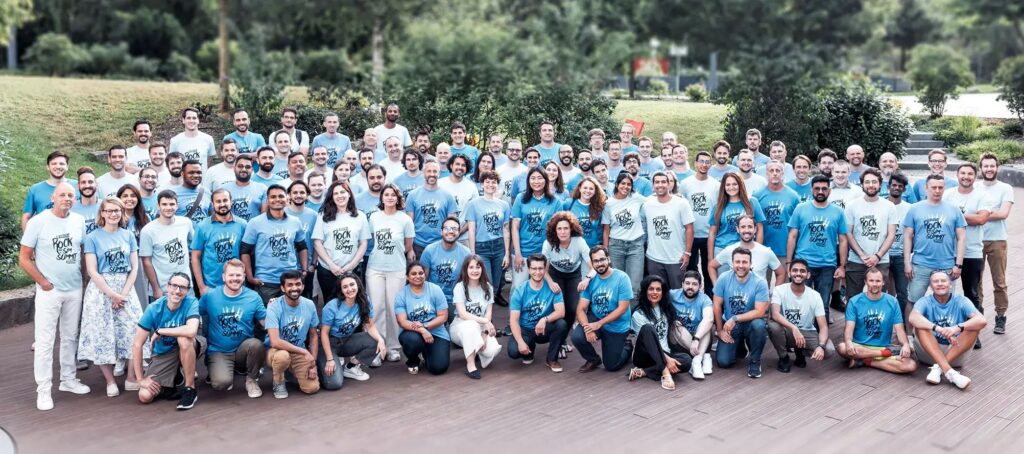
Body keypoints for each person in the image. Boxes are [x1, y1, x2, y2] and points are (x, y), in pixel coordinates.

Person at [20, 182, 91, 410]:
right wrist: (42, 282)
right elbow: (24, 257)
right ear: (53, 196)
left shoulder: (79, 221)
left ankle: (68, 380)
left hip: (74, 288)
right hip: (50, 291)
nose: (67, 199)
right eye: (63, 195)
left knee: (70, 336)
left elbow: (81, 251)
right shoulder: (38, 222)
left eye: (71, 195)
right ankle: (43, 389)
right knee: (45, 341)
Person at [78, 197, 145, 397]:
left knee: (135, 329)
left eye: (117, 210)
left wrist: (123, 294)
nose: (113, 214)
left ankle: (132, 377)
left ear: (122, 212)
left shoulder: (128, 235)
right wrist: (112, 295)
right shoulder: (93, 237)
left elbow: (134, 268)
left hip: (125, 288)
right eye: (109, 211)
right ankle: (109, 381)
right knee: (103, 334)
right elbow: (92, 270)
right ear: (103, 213)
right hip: (102, 290)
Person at [131, 272, 203, 410]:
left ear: (187, 290)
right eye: (174, 286)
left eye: (182, 287)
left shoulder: (191, 302)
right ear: (168, 287)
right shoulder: (154, 308)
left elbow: (191, 331)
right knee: (144, 396)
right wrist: (140, 379)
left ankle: (189, 389)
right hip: (164, 353)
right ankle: (175, 378)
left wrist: (160, 331)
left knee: (184, 339)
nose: (177, 291)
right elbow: (137, 344)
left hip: (190, 345)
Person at [198, 260, 266, 398]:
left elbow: (266, 323)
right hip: (219, 350)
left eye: (238, 275)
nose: (235, 278)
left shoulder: (253, 297)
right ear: (223, 277)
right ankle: (224, 370)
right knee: (220, 383)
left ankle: (251, 379)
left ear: (244, 276)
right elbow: (193, 314)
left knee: (256, 344)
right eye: (231, 275)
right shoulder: (210, 296)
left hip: (244, 349)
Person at [908, 271, 986, 390]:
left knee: (973, 327)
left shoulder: (961, 300)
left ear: (950, 285)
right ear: (930, 286)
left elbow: (982, 320)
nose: (940, 284)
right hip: (929, 353)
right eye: (935, 281)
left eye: (943, 281)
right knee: (921, 326)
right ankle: (950, 372)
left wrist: (957, 328)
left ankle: (939, 368)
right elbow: (912, 318)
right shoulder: (924, 301)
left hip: (955, 353)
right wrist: (938, 328)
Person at [787, 175, 848, 321]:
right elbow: (792, 236)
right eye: (817, 188)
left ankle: (822, 337)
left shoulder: (838, 212)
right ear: (811, 190)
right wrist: (789, 263)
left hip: (827, 264)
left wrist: (842, 266)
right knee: (800, 302)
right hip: (803, 263)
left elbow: (843, 240)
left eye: (824, 189)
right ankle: (799, 335)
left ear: (829, 191)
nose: (820, 191)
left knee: (823, 303)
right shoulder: (801, 209)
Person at [367, 184, 416, 363]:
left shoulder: (404, 220)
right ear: (381, 198)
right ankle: (379, 349)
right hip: (375, 268)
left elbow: (408, 246)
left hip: (396, 268)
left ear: (398, 198)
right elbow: (371, 241)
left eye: (393, 195)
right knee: (377, 307)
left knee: (393, 308)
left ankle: (394, 347)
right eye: (386, 195)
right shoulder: (374, 218)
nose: (389, 198)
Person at [837, 268, 917, 375]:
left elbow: (900, 330)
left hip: (883, 346)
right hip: (860, 347)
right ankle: (880, 355)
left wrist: (906, 344)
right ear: (865, 282)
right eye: (871, 281)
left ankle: (865, 361)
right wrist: (849, 342)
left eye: (878, 281)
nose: (875, 284)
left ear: (883, 282)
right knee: (842, 347)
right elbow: (849, 328)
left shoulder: (892, 301)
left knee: (910, 365)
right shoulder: (854, 301)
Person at [903, 175, 967, 305]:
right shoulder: (914, 208)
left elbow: (961, 238)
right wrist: (907, 263)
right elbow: (907, 236)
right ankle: (910, 326)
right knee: (913, 301)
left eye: (940, 187)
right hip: (920, 264)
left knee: (946, 301)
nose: (937, 190)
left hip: (946, 264)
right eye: (933, 187)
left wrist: (958, 264)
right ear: (926, 188)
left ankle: (944, 326)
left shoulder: (954, 210)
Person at [942, 164, 993, 325]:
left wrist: (955, 216)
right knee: (946, 291)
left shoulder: (983, 196)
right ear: (957, 175)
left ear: (975, 176)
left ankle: (974, 330)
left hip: (972, 252)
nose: (966, 176)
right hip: (949, 252)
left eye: (970, 174)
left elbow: (981, 219)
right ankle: (949, 326)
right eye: (962, 173)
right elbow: (940, 217)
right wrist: (967, 217)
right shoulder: (948, 195)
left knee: (971, 294)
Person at [240, 185, 307, 304]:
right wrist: (250, 277)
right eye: (273, 197)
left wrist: (304, 269)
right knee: (267, 318)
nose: (277, 199)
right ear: (267, 200)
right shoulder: (255, 223)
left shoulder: (295, 222)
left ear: (287, 199)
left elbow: (302, 247)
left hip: (290, 280)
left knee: (290, 317)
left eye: (281, 196)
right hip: (266, 282)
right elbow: (245, 251)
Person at [573, 246, 634, 373]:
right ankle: (593, 359)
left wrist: (599, 324)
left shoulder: (622, 278)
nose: (599, 263)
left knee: (611, 366)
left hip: (616, 324)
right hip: (596, 317)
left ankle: (627, 345)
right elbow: (581, 309)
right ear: (592, 263)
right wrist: (587, 328)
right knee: (578, 336)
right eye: (596, 261)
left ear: (609, 259)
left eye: (602, 259)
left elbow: (622, 308)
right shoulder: (590, 281)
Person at [319, 273, 386, 388]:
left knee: (377, 339)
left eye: (352, 285)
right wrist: (330, 359)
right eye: (345, 287)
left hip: (347, 340)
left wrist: (380, 340)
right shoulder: (332, 306)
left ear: (358, 285)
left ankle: (351, 367)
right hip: (330, 343)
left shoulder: (364, 301)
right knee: (334, 384)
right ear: (341, 290)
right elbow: (324, 334)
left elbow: (370, 326)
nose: (349, 289)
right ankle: (325, 362)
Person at [713, 248, 770, 378]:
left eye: (745, 262)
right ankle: (739, 347)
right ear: (732, 263)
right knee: (723, 362)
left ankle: (755, 361)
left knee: (759, 326)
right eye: (737, 262)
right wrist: (720, 330)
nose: (741, 265)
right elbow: (716, 305)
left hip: (750, 323)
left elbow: (761, 312)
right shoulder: (723, 278)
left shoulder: (759, 282)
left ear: (750, 264)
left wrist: (735, 318)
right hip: (730, 326)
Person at [629, 275, 693, 390]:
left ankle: (644, 372)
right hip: (644, 356)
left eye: (658, 289)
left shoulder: (665, 308)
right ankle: (665, 373)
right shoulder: (638, 314)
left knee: (687, 361)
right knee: (648, 328)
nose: (655, 292)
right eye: (651, 289)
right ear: (645, 291)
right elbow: (646, 342)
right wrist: (667, 360)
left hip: (665, 353)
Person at [768, 259, 832, 373]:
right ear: (789, 273)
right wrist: (794, 328)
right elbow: (775, 314)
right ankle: (783, 357)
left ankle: (800, 351)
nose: (798, 273)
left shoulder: (815, 296)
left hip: (807, 332)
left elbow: (823, 327)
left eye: (802, 271)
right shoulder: (779, 290)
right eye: (795, 270)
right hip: (787, 330)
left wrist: (821, 346)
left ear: (808, 275)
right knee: (773, 326)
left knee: (828, 350)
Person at [508, 254, 568, 372]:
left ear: (545, 269)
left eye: (540, 268)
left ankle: (552, 359)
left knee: (561, 324)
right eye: (534, 269)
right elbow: (513, 320)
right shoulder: (520, 290)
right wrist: (520, 342)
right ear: (529, 270)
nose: (537, 272)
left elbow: (561, 312)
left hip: (544, 328)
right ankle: (529, 350)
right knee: (513, 351)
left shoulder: (553, 288)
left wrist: (544, 319)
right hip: (526, 329)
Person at [264, 271, 320, 399]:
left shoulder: (309, 305)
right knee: (283, 356)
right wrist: (305, 352)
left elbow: (313, 336)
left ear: (303, 286)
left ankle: (289, 373)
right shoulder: (274, 307)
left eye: (298, 284)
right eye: (289, 285)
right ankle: (278, 382)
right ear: (283, 288)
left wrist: (313, 364)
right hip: (276, 351)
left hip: (298, 352)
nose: (294, 288)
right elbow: (275, 342)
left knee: (312, 388)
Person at [542, 212, 592, 351]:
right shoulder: (548, 243)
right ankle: (558, 341)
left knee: (572, 308)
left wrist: (587, 279)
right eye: (559, 229)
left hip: (573, 274)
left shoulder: (579, 241)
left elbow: (593, 267)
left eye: (566, 228)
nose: (563, 232)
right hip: (555, 274)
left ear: (571, 229)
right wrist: (551, 283)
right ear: (554, 230)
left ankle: (563, 338)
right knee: (559, 308)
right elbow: (543, 269)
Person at [313, 182, 370, 304]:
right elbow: (317, 243)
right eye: (336, 193)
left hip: (352, 270)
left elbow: (363, 243)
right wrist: (331, 265)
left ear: (349, 194)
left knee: (353, 305)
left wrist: (351, 265)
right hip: (328, 270)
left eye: (343, 192)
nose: (340, 196)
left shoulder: (360, 216)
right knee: (330, 306)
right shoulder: (323, 215)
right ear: (331, 197)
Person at [845, 168, 898, 297]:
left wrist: (877, 256)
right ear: (862, 184)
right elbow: (848, 233)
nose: (871, 185)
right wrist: (862, 255)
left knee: (879, 298)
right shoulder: (851, 205)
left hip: (881, 260)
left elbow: (891, 235)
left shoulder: (889, 206)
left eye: (874, 182)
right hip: (856, 260)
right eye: (867, 182)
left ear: (880, 184)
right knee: (852, 298)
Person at [976, 153, 1014, 334]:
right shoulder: (975, 187)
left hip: (997, 239)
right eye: (986, 166)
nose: (989, 169)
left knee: (999, 281)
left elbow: (1003, 213)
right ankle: (977, 313)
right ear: (981, 168)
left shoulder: (1005, 188)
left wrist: (980, 214)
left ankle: (1000, 316)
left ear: (997, 167)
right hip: (975, 239)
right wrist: (991, 212)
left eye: (992, 166)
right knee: (976, 280)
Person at [450, 256, 503, 379]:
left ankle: (475, 348)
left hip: (480, 328)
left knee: (492, 350)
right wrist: (485, 321)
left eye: (478, 267)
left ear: (482, 269)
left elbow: (488, 314)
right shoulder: (460, 287)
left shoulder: (488, 287)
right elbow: (463, 314)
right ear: (466, 269)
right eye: (471, 267)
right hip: (460, 327)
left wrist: (484, 334)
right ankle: (471, 365)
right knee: (471, 325)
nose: (475, 270)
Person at [395, 261, 451, 375]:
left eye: (420, 273)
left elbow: (443, 317)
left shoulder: (435, 289)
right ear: (407, 277)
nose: (417, 276)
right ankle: (413, 360)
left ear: (425, 275)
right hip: (412, 332)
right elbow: (402, 322)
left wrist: (426, 325)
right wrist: (422, 330)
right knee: (412, 341)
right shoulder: (401, 294)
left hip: (436, 332)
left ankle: (428, 351)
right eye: (413, 274)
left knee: (438, 368)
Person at [464, 170, 511, 304]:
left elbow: (506, 229)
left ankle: (492, 302)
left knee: (497, 283)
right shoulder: (474, 204)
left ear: (497, 184)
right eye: (487, 182)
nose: (491, 184)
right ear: (482, 184)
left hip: (498, 246)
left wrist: (507, 253)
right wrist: (473, 253)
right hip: (481, 246)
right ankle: (485, 313)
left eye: (494, 182)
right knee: (487, 281)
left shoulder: (504, 205)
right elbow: (471, 230)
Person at [510, 167, 562, 289]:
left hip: (544, 253)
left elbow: (558, 229)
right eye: (533, 178)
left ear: (546, 180)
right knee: (519, 287)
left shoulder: (555, 201)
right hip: (523, 252)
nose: (536, 181)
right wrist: (517, 253)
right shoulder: (520, 198)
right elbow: (515, 227)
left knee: (542, 288)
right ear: (528, 181)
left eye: (540, 178)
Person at [190, 189, 246, 296]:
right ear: (213, 204)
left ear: (231, 202)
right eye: (218, 201)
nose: (222, 204)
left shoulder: (242, 225)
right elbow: (195, 257)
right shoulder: (202, 227)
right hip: (211, 286)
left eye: (225, 200)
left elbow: (247, 255)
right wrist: (201, 287)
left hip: (237, 285)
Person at [643, 171, 695, 288]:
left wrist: (687, 253)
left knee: (677, 293)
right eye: (657, 182)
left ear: (669, 184)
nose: (660, 185)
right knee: (657, 293)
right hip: (653, 258)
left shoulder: (681, 203)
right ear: (653, 185)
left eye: (663, 182)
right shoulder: (647, 204)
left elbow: (689, 228)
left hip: (676, 259)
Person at [140, 190, 194, 300]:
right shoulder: (148, 231)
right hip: (163, 288)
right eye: (164, 204)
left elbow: (194, 246)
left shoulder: (186, 223)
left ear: (177, 205)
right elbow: (146, 261)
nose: (168, 208)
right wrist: (156, 288)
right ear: (158, 205)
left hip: (186, 285)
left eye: (172, 204)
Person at [679, 151, 720, 295]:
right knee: (690, 269)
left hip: (709, 234)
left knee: (709, 267)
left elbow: (718, 209)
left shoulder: (715, 185)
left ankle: (709, 297)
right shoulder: (685, 184)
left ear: (711, 164)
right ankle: (691, 295)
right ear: (695, 163)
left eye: (707, 162)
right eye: (701, 161)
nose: (704, 164)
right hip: (691, 234)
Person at [754, 161, 800, 280]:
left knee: (784, 287)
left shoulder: (793, 196)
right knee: (762, 285)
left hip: (785, 250)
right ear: (766, 174)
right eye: (771, 171)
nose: (774, 174)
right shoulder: (757, 196)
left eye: (777, 171)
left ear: (783, 173)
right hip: (764, 248)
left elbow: (798, 225)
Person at [708, 215, 782, 285]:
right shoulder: (729, 250)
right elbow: (711, 266)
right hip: (736, 296)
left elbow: (781, 273)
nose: (746, 230)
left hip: (759, 297)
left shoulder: (766, 252)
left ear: (755, 229)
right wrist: (717, 287)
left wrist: (774, 295)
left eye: (750, 227)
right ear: (738, 229)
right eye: (743, 227)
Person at [406, 160, 459, 258]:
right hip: (418, 245)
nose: (432, 174)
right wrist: (410, 249)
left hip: (440, 244)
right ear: (423, 173)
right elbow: (409, 225)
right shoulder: (413, 195)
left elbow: (452, 224)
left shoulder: (448, 196)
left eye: (435, 171)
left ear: (439, 174)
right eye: (429, 171)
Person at [606, 173, 647, 297]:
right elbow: (606, 229)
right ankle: (618, 314)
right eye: (623, 183)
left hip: (636, 245)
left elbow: (654, 200)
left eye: (629, 184)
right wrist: (606, 250)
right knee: (617, 282)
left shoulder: (636, 198)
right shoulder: (608, 204)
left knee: (635, 285)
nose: (626, 186)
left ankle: (632, 314)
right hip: (616, 246)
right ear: (617, 184)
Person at [420, 216, 472, 313]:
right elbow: (423, 279)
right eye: (447, 228)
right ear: (441, 231)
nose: (451, 231)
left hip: (456, 300)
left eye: (454, 229)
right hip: (434, 300)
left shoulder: (466, 253)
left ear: (459, 232)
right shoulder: (429, 251)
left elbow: (468, 281)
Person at [669, 271, 714, 379]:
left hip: (698, 340)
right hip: (679, 339)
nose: (690, 287)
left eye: (694, 284)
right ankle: (702, 357)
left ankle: (696, 361)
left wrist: (696, 339)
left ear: (700, 286)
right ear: (682, 284)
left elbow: (709, 318)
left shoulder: (704, 299)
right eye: (687, 283)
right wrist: (671, 318)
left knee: (707, 324)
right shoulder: (672, 295)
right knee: (675, 325)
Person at [708, 172, 765, 256]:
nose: (731, 187)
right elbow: (712, 233)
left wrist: (757, 252)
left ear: (740, 185)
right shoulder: (718, 207)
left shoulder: (752, 202)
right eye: (728, 185)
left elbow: (760, 228)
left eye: (734, 184)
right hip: (722, 250)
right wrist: (710, 258)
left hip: (746, 250)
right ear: (723, 187)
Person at [22, 151, 73, 230]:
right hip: (43, 238)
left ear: (67, 166)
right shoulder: (35, 189)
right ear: (48, 167)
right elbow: (26, 217)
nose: (58, 166)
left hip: (72, 237)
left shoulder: (77, 186)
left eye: (62, 164)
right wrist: (27, 240)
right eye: (54, 164)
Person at [885, 172, 913, 316]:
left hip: (901, 255)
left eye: (900, 186)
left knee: (903, 293)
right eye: (894, 185)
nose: (896, 188)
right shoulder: (881, 204)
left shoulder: (909, 208)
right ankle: (885, 320)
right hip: (882, 255)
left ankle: (901, 322)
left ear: (904, 189)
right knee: (881, 290)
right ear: (888, 187)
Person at [285, 181, 319, 299]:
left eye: (302, 192)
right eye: (295, 192)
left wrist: (313, 264)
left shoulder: (314, 216)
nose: (298, 195)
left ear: (307, 194)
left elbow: (317, 242)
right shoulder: (283, 213)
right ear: (289, 194)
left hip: (306, 268)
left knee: (306, 300)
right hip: (287, 267)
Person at [118, 185, 151, 302]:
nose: (129, 199)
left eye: (133, 196)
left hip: (141, 262)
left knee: (140, 296)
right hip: (121, 262)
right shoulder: (115, 217)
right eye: (125, 196)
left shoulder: (145, 218)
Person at [565, 176, 610, 249]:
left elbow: (605, 229)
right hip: (575, 249)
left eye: (591, 189)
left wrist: (605, 248)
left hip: (595, 249)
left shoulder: (600, 207)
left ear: (595, 191)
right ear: (580, 188)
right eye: (585, 188)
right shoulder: (568, 204)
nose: (588, 191)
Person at [168, 107, 216, 173]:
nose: (191, 121)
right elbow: (172, 163)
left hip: (203, 181)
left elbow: (210, 160)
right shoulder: (175, 141)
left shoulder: (208, 139)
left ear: (198, 120)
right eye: (188, 118)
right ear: (183, 120)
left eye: (194, 118)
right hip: (183, 182)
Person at [222, 155, 267, 221]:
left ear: (252, 170)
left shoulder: (262, 189)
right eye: (240, 166)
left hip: (254, 230)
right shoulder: (223, 189)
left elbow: (264, 217)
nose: (243, 169)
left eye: (248, 167)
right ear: (234, 168)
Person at [438, 154, 478, 218]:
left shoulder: (472, 187)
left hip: (463, 227)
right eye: (457, 164)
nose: (460, 167)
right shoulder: (440, 184)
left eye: (463, 165)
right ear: (451, 166)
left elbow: (475, 213)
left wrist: (463, 228)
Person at [172, 160, 211, 225]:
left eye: (199, 172)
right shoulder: (173, 194)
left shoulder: (207, 192)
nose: (196, 175)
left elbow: (211, 216)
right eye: (191, 173)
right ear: (182, 174)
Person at [72, 166, 101, 235]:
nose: (87, 185)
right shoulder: (71, 209)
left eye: (90, 182)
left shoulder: (106, 205)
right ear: (78, 185)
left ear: (96, 184)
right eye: (83, 182)